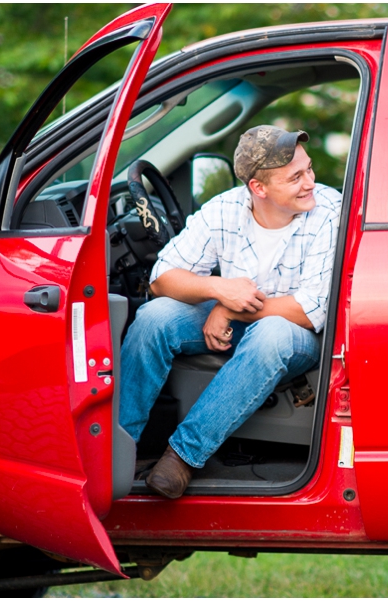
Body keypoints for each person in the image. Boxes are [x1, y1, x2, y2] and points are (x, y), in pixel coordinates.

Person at [118, 125, 342, 499]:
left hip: (295, 333)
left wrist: (229, 312)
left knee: (270, 333)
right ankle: (117, 449)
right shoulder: (224, 209)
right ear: (258, 188)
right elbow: (161, 278)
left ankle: (183, 457)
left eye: (309, 170)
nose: (310, 183)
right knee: (154, 317)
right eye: (296, 177)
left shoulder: (329, 210)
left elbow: (309, 310)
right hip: (238, 315)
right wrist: (216, 290)